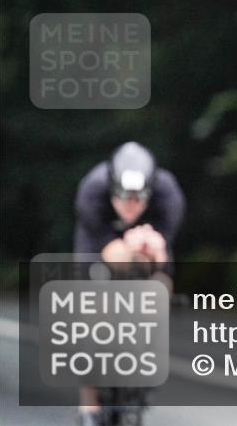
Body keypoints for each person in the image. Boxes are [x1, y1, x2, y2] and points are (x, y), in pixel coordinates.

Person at [73, 142, 186, 426]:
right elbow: (110, 254)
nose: (130, 205)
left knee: (158, 286)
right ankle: (89, 405)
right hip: (99, 244)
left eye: (139, 197)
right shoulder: (92, 191)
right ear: (111, 189)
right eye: (123, 196)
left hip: (148, 247)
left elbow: (160, 258)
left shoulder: (168, 195)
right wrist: (128, 246)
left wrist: (149, 251)